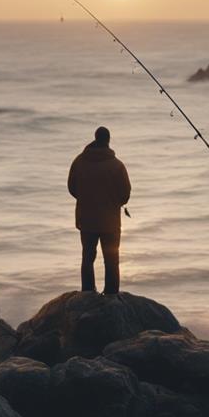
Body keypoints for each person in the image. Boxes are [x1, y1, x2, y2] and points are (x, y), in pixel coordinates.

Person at [68, 126, 131, 295]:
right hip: (110, 222)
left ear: (95, 138)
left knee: (87, 258)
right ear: (108, 140)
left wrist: (86, 199)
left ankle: (88, 292)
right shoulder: (117, 166)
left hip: (86, 219)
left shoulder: (79, 162)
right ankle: (111, 294)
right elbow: (125, 195)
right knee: (111, 260)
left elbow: (72, 188)